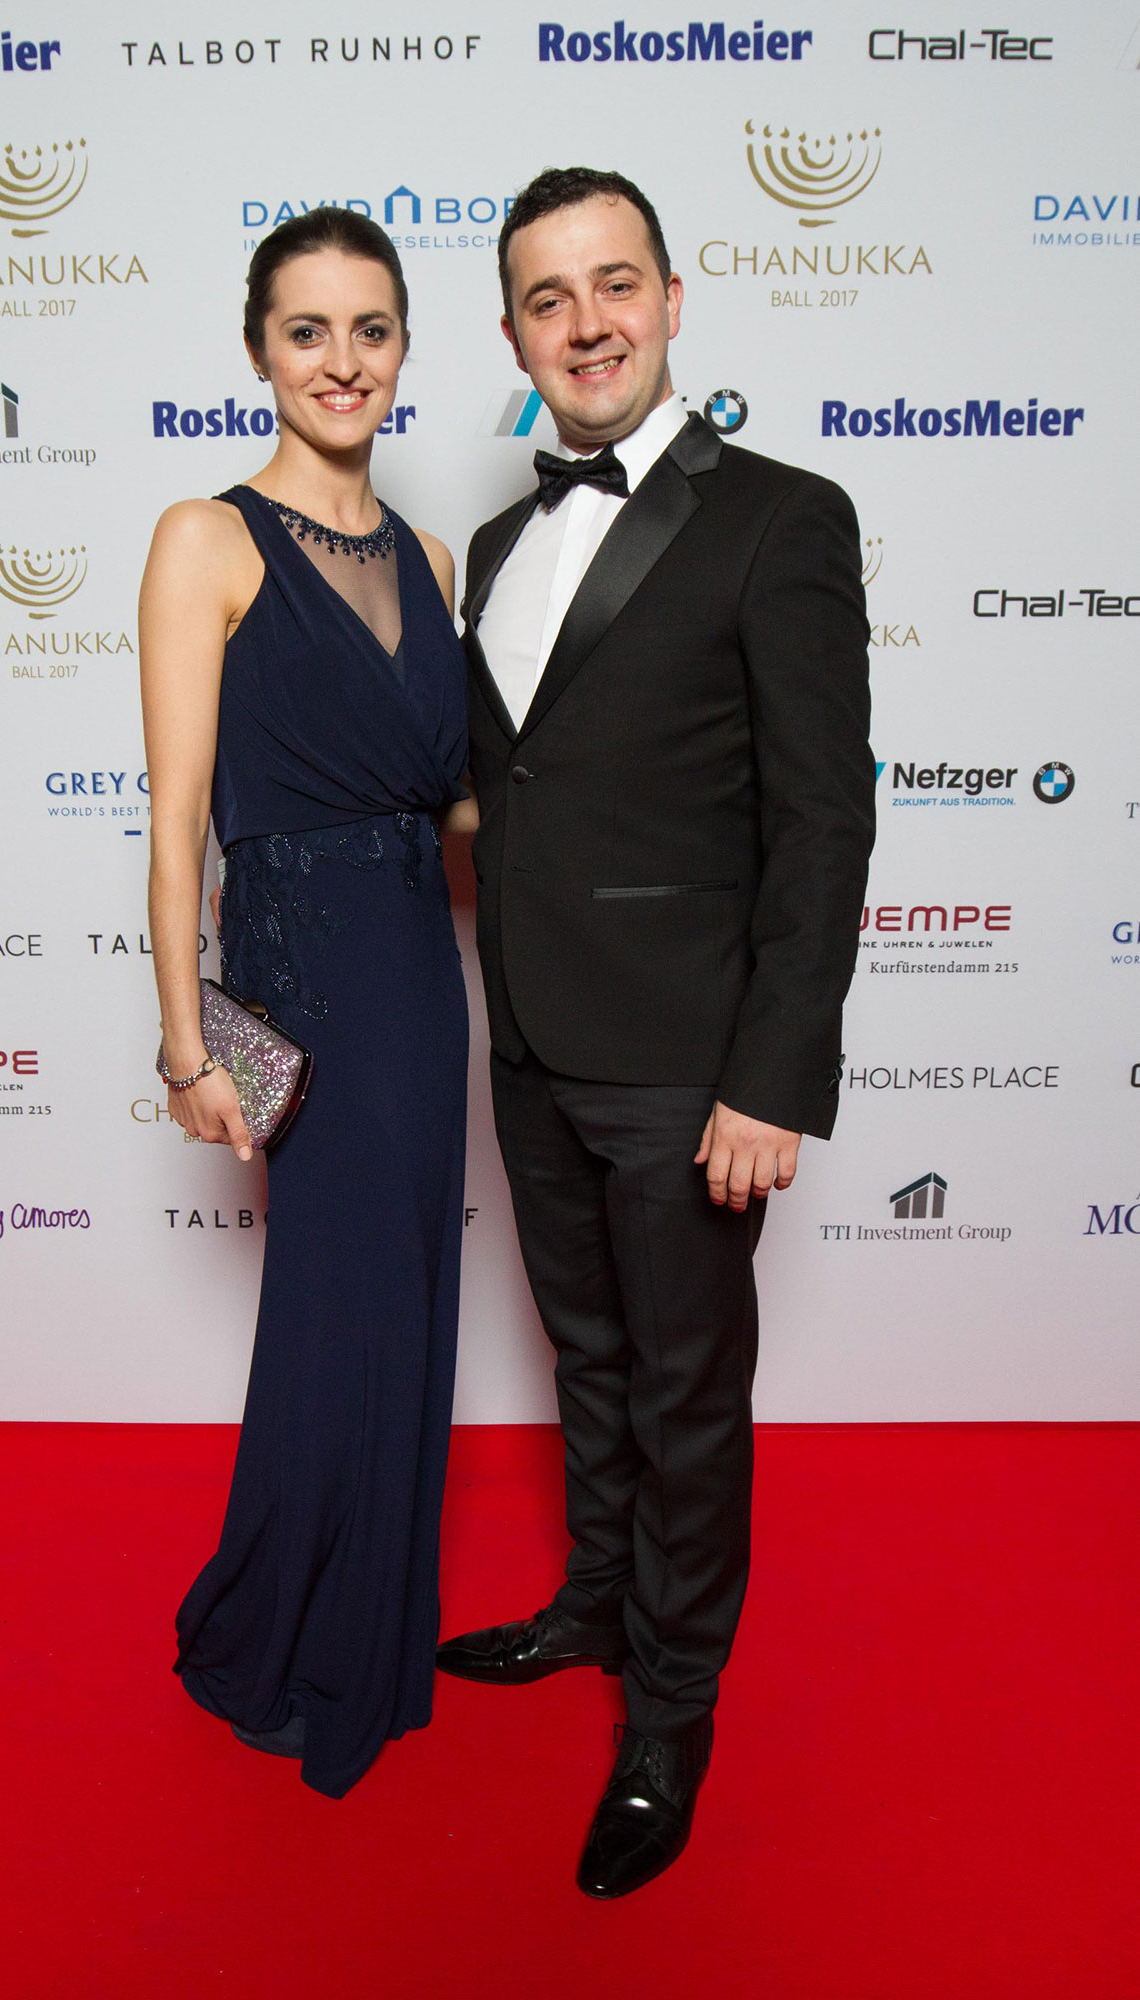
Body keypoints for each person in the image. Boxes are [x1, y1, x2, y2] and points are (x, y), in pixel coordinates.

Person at [437, 168, 875, 1896]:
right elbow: (520, 786)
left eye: (615, 284)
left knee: (688, 1398)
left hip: (690, 1063)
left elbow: (821, 820)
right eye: (549, 298)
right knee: (590, 1362)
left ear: (673, 300)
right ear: (512, 337)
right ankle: (598, 1605)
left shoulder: (782, 517)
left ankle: (669, 1721)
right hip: (530, 1042)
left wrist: (771, 1078)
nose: (587, 323)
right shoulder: (495, 546)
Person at [139, 210, 471, 1799]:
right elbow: (175, 823)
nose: (342, 362)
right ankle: (289, 1634)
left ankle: (367, 1627)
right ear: (258, 350)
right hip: (307, 985)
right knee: (335, 1317)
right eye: (307, 330)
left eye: (370, 328)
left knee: (406, 1305)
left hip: (420, 978)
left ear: (402, 347)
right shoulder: (203, 539)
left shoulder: (430, 558)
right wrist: (185, 1046)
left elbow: (452, 802)